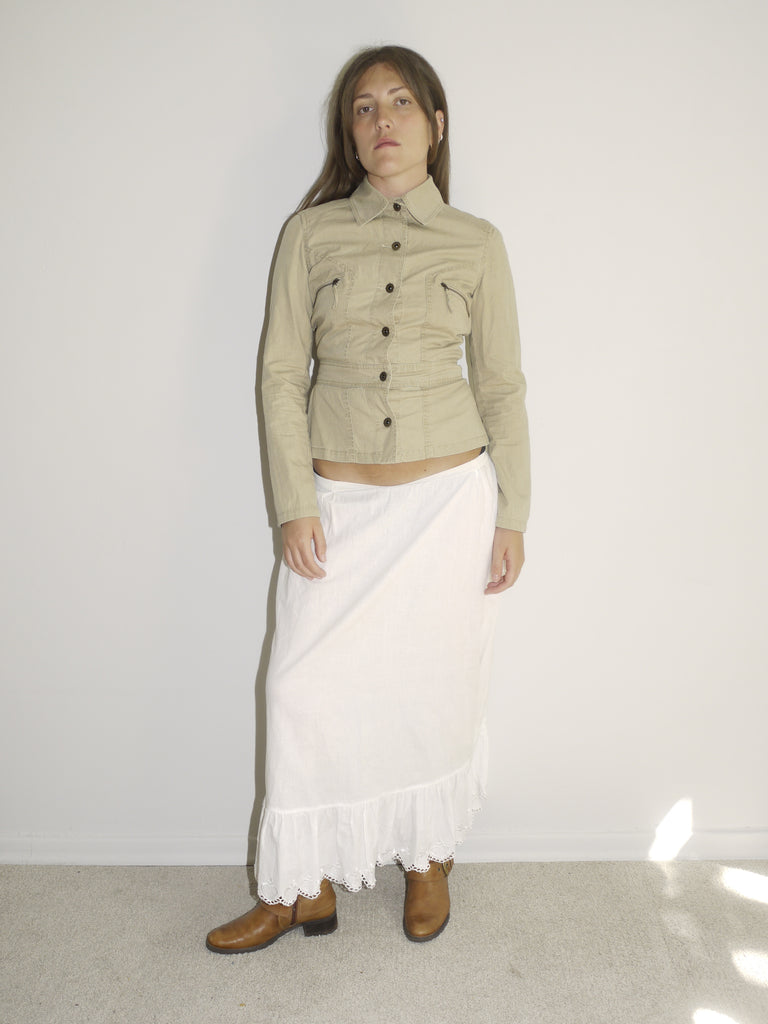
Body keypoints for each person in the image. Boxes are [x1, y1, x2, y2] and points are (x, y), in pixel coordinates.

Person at [206, 44, 530, 953]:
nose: (381, 120)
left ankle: (427, 857)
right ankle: (299, 886)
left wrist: (512, 513)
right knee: (299, 689)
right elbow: (280, 376)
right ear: (348, 134)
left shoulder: (477, 243)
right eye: (362, 107)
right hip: (338, 505)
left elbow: (501, 386)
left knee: (435, 688)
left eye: (400, 102)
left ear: (436, 124)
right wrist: (293, 501)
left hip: (449, 505)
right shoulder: (309, 235)